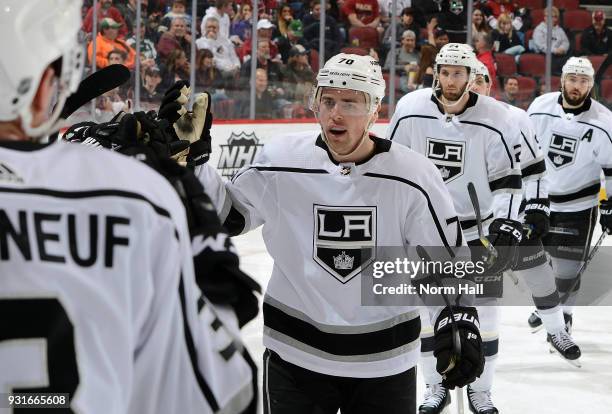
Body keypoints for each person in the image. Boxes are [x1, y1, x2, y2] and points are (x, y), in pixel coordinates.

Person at [0, 1, 255, 412]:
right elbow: (226, 395)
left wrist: (74, 139)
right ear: (50, 77)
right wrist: (196, 240)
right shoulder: (135, 199)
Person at [199, 52, 485, 413]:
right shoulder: (281, 159)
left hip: (385, 361)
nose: (336, 113)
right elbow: (229, 217)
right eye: (328, 100)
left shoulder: (413, 175)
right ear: (315, 105)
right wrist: (194, 164)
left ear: (374, 111)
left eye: (350, 102)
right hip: (295, 355)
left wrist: (457, 317)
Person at [387, 43, 524, 414]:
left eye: (458, 73)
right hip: (423, 231)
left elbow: (509, 182)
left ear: (471, 76)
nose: (451, 80)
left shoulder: (496, 116)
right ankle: (435, 388)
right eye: (445, 72)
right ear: (436, 73)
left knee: (486, 319)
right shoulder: (410, 109)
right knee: (426, 316)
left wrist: (507, 226)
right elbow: (390, 166)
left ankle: (481, 391)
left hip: (476, 233)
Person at [471, 61, 581, 366]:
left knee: (540, 276)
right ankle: (474, 347)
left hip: (511, 216)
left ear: (489, 85)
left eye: (480, 81)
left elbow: (535, 169)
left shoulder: (514, 118)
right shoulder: (453, 122)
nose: (473, 86)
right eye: (470, 81)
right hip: (472, 223)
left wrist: (536, 208)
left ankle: (557, 331)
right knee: (481, 294)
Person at [526, 57, 612, 338]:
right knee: (542, 263)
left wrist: (610, 203)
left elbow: (611, 168)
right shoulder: (540, 107)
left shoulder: (604, 121)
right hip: (541, 202)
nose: (577, 86)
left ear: (591, 84)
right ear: (562, 80)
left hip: (580, 206)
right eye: (573, 80)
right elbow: (524, 152)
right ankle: (547, 305)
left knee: (569, 269)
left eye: (584, 81)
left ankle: (564, 319)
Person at [531, 6, 569, 75]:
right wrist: (555, 50)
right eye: (547, 16)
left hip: (559, 54)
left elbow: (566, 42)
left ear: (556, 19)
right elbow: (541, 45)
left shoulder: (559, 30)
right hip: (545, 54)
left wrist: (562, 49)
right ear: (544, 17)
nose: (549, 18)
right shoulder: (539, 29)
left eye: (553, 17)